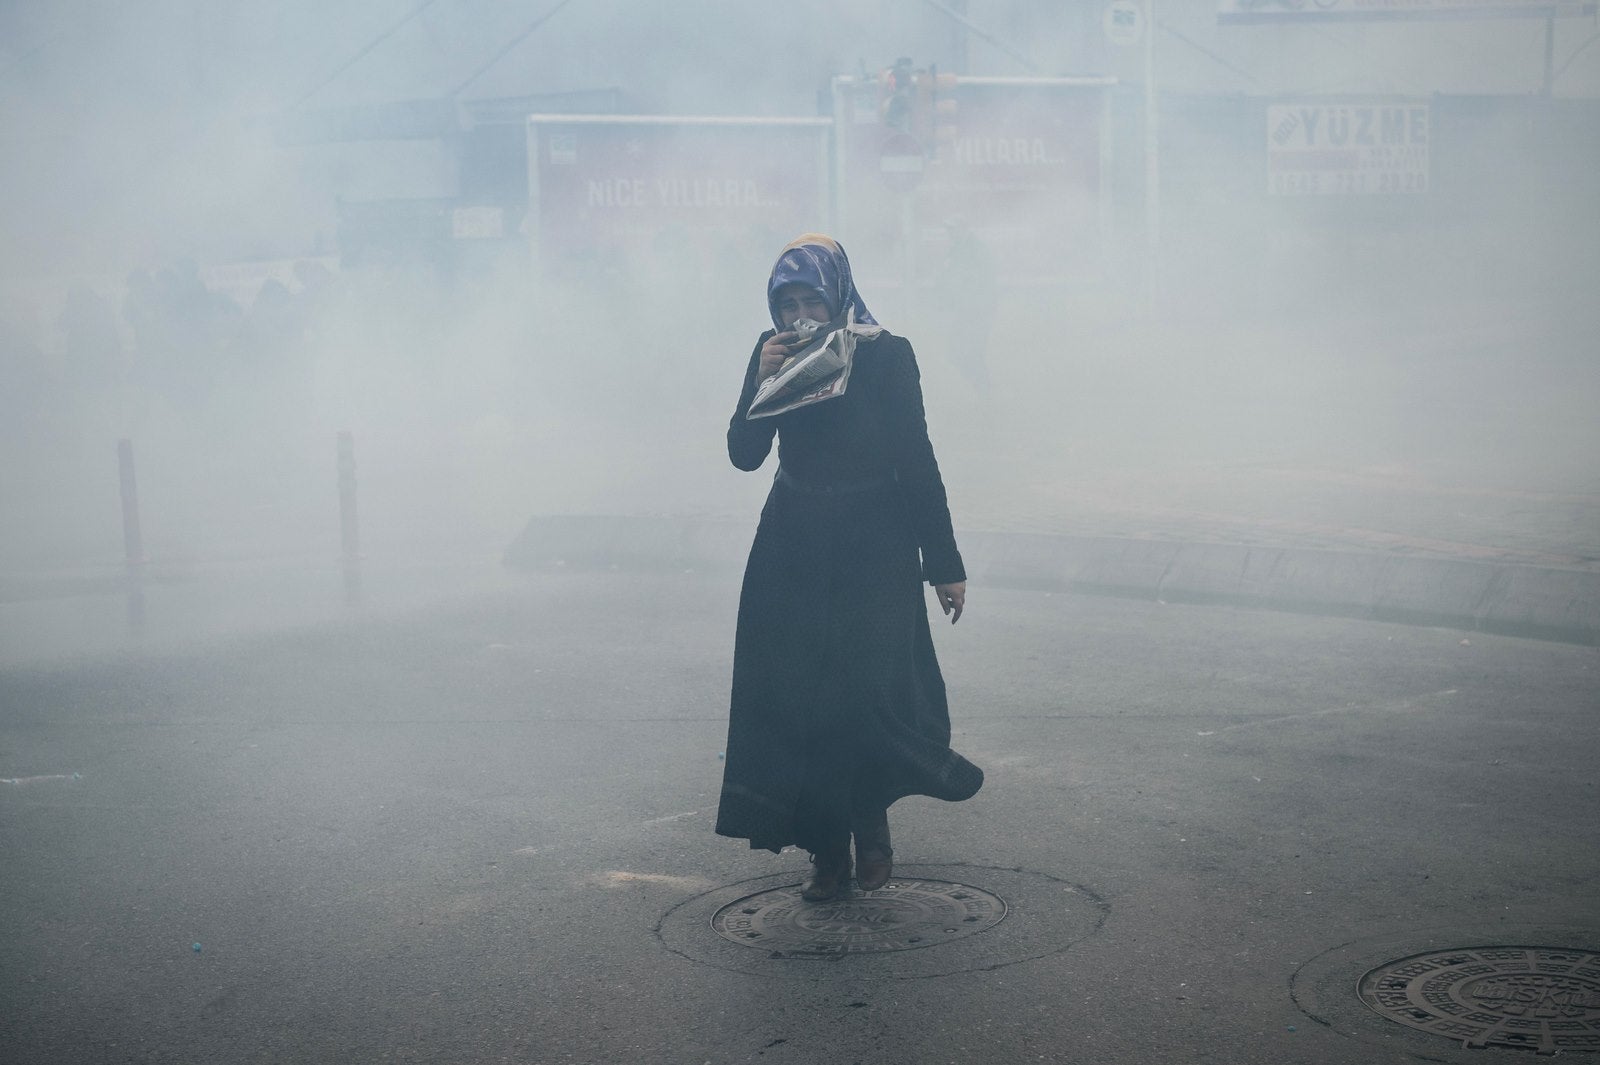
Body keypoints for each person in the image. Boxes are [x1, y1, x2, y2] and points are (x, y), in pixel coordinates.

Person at [715, 234, 983, 901]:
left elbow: (916, 459)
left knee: (863, 695)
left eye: (813, 301)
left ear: (838, 296)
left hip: (874, 546)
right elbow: (745, 455)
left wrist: (943, 563)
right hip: (793, 545)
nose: (800, 317)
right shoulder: (770, 353)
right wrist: (761, 380)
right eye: (788, 305)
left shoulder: (884, 355)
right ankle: (826, 852)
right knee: (800, 701)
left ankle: (872, 827)